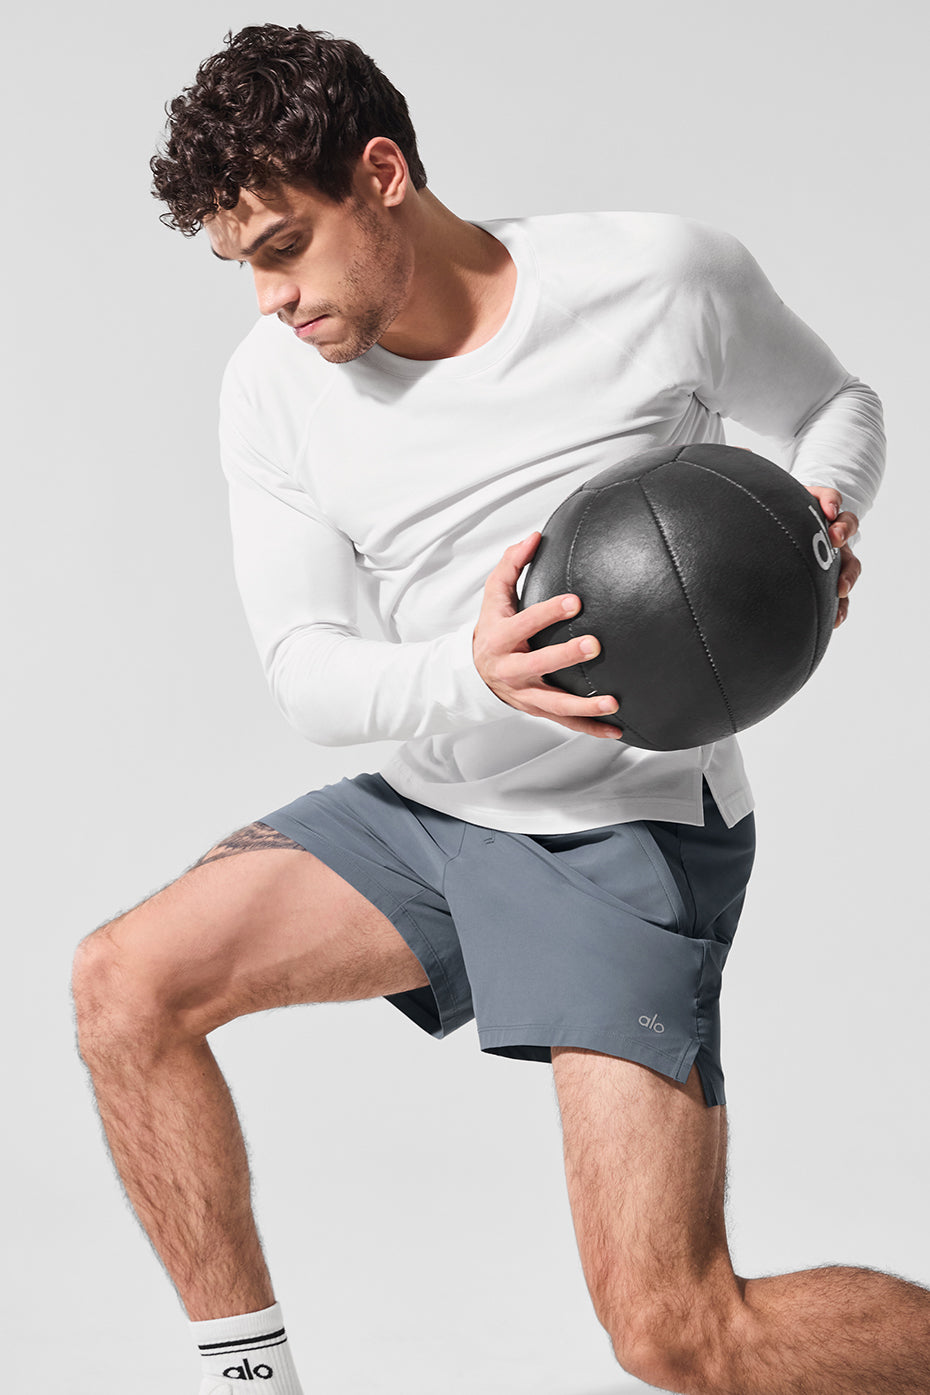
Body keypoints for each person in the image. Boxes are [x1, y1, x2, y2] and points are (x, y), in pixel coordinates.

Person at [71, 23, 927, 1395]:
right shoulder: (273, 390)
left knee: (675, 1332)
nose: (270, 300)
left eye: (284, 246)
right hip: (430, 813)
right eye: (242, 265)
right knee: (124, 986)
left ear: (382, 174)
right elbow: (305, 669)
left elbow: (835, 403)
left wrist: (818, 523)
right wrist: (469, 677)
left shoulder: (656, 278)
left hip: (622, 833)